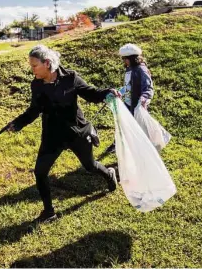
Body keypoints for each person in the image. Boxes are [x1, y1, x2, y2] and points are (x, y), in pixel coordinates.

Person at [8, 45, 121, 224]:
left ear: (47, 63)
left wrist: (107, 92)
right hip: (52, 135)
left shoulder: (71, 78)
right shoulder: (36, 84)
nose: (32, 70)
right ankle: (49, 212)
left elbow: (91, 93)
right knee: (40, 172)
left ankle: (109, 175)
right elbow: (34, 110)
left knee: (90, 166)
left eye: (34, 65)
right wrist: (18, 123)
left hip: (76, 132)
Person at [105, 43, 154, 154]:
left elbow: (148, 88)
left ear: (132, 58)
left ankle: (144, 149)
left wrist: (143, 100)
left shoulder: (141, 70)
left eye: (125, 59)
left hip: (137, 105)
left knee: (139, 128)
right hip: (128, 103)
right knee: (122, 123)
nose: (123, 61)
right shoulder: (130, 69)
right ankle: (118, 143)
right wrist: (119, 92)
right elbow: (128, 86)